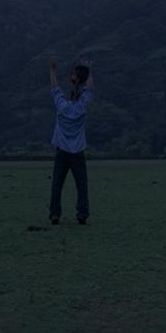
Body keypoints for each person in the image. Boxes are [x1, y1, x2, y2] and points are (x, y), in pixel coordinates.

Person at [48, 57, 94, 225]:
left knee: (57, 184)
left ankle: (55, 214)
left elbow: (54, 87)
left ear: (69, 96)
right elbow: (89, 89)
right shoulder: (81, 107)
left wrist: (52, 70)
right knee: (81, 184)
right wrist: (89, 71)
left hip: (62, 151)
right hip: (77, 152)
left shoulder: (62, 106)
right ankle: (82, 214)